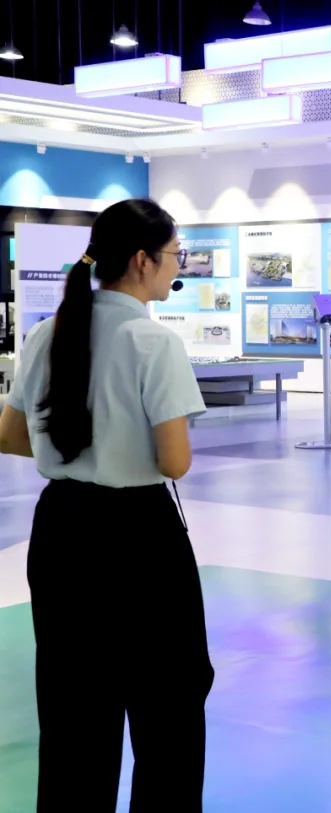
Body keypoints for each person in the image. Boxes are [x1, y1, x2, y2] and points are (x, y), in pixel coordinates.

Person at [0, 199, 214, 811]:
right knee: (168, 705)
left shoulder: (47, 333)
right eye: (175, 255)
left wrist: (76, 450)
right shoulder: (153, 342)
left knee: (73, 708)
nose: (178, 265)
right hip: (139, 534)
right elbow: (174, 462)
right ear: (143, 260)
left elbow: (10, 436)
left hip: (62, 530)